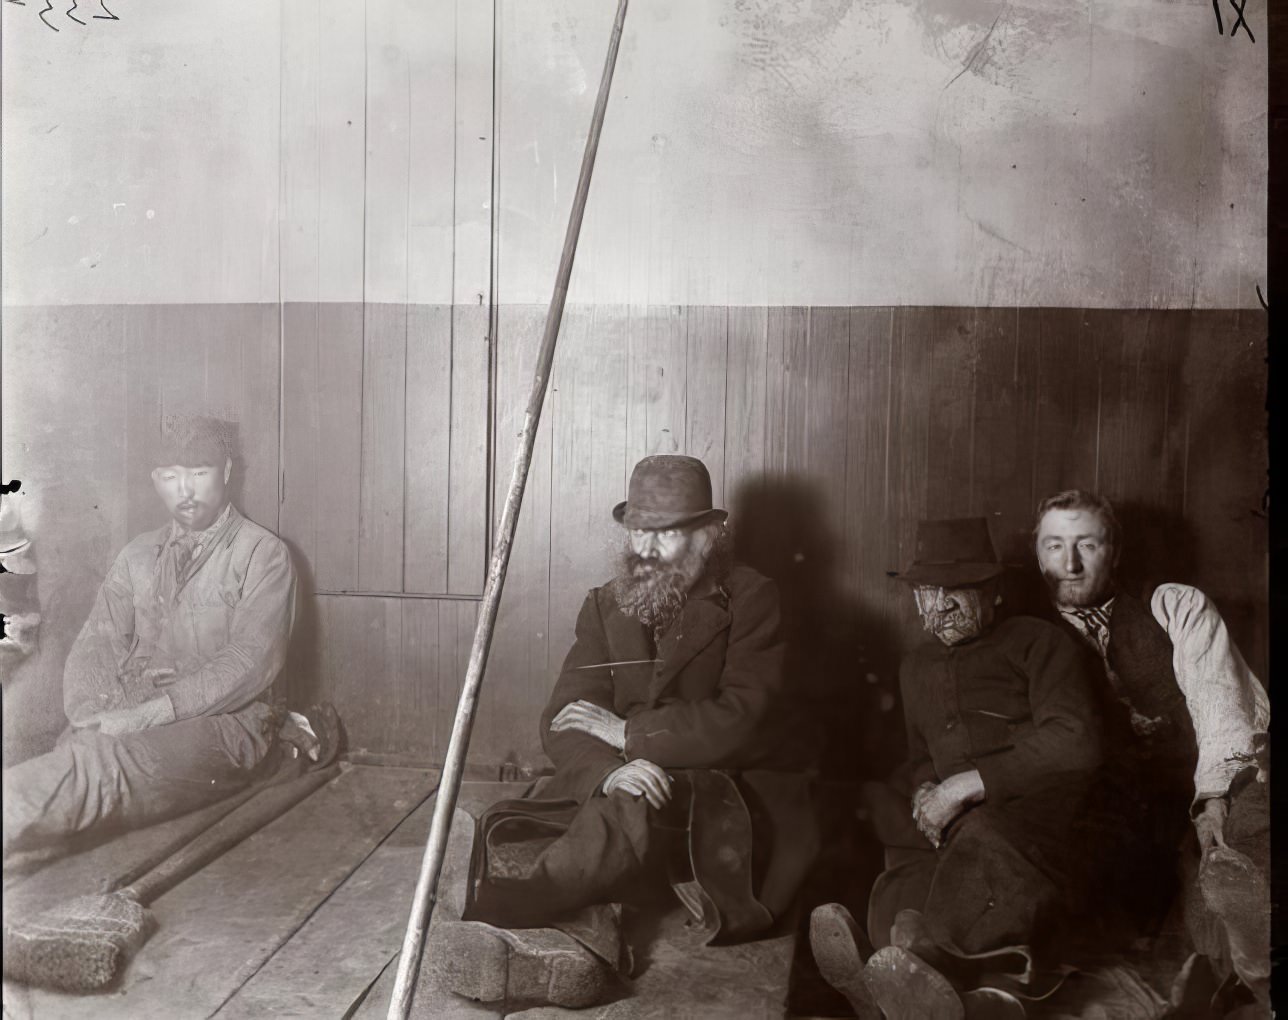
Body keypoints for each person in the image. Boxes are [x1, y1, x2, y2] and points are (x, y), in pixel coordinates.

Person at [434, 455, 820, 1010]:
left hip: (722, 791)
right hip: (632, 787)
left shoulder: (752, 598)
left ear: (710, 535)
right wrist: (612, 771)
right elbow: (565, 715)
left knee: (623, 808)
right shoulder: (605, 603)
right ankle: (574, 960)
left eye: (665, 533)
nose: (646, 548)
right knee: (566, 817)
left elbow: (742, 717)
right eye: (638, 530)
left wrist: (628, 736)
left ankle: (510, 905)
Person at [810, 518, 1104, 1019]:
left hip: (1033, 826)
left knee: (985, 836)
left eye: (957, 591)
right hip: (957, 826)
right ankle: (892, 975)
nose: (938, 605)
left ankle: (918, 971)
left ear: (994, 593)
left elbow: (1077, 740)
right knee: (877, 821)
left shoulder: (1038, 643)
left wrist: (967, 787)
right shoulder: (916, 666)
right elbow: (921, 755)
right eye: (926, 592)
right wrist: (927, 788)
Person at [2, 415, 303, 858]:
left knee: (99, 769)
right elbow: (97, 640)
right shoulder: (137, 554)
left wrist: (146, 716)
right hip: (129, 713)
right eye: (170, 476)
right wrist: (89, 709)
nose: (184, 492)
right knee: (79, 763)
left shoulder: (263, 553)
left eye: (199, 474)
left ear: (227, 472)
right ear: (155, 479)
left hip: (226, 725)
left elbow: (248, 662)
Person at [1033, 490, 1269, 1010]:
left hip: (1188, 779)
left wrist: (1213, 796)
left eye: (1086, 545)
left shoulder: (1174, 604)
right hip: (1102, 804)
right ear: (1038, 555)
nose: (1069, 563)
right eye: (1054, 546)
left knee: (1224, 859)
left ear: (1113, 550)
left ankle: (1246, 975)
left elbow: (1219, 700)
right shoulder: (1027, 634)